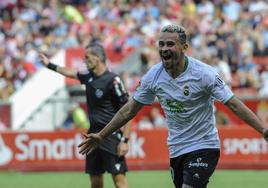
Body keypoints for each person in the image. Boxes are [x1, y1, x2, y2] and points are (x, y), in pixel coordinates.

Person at [78, 24, 268, 188]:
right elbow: (129, 109)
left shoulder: (204, 74)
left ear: (184, 47)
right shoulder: (153, 77)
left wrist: (263, 130)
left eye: (170, 44)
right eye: (161, 44)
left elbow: (233, 104)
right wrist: (102, 135)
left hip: (205, 145)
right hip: (177, 148)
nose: (164, 48)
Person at [39, 42, 131, 188]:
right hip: (92, 137)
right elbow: (70, 72)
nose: (84, 60)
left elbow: (128, 111)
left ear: (98, 58)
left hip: (111, 137)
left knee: (120, 183)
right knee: (95, 183)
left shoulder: (113, 80)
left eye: (87, 57)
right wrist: (49, 64)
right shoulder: (88, 77)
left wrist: (125, 140)